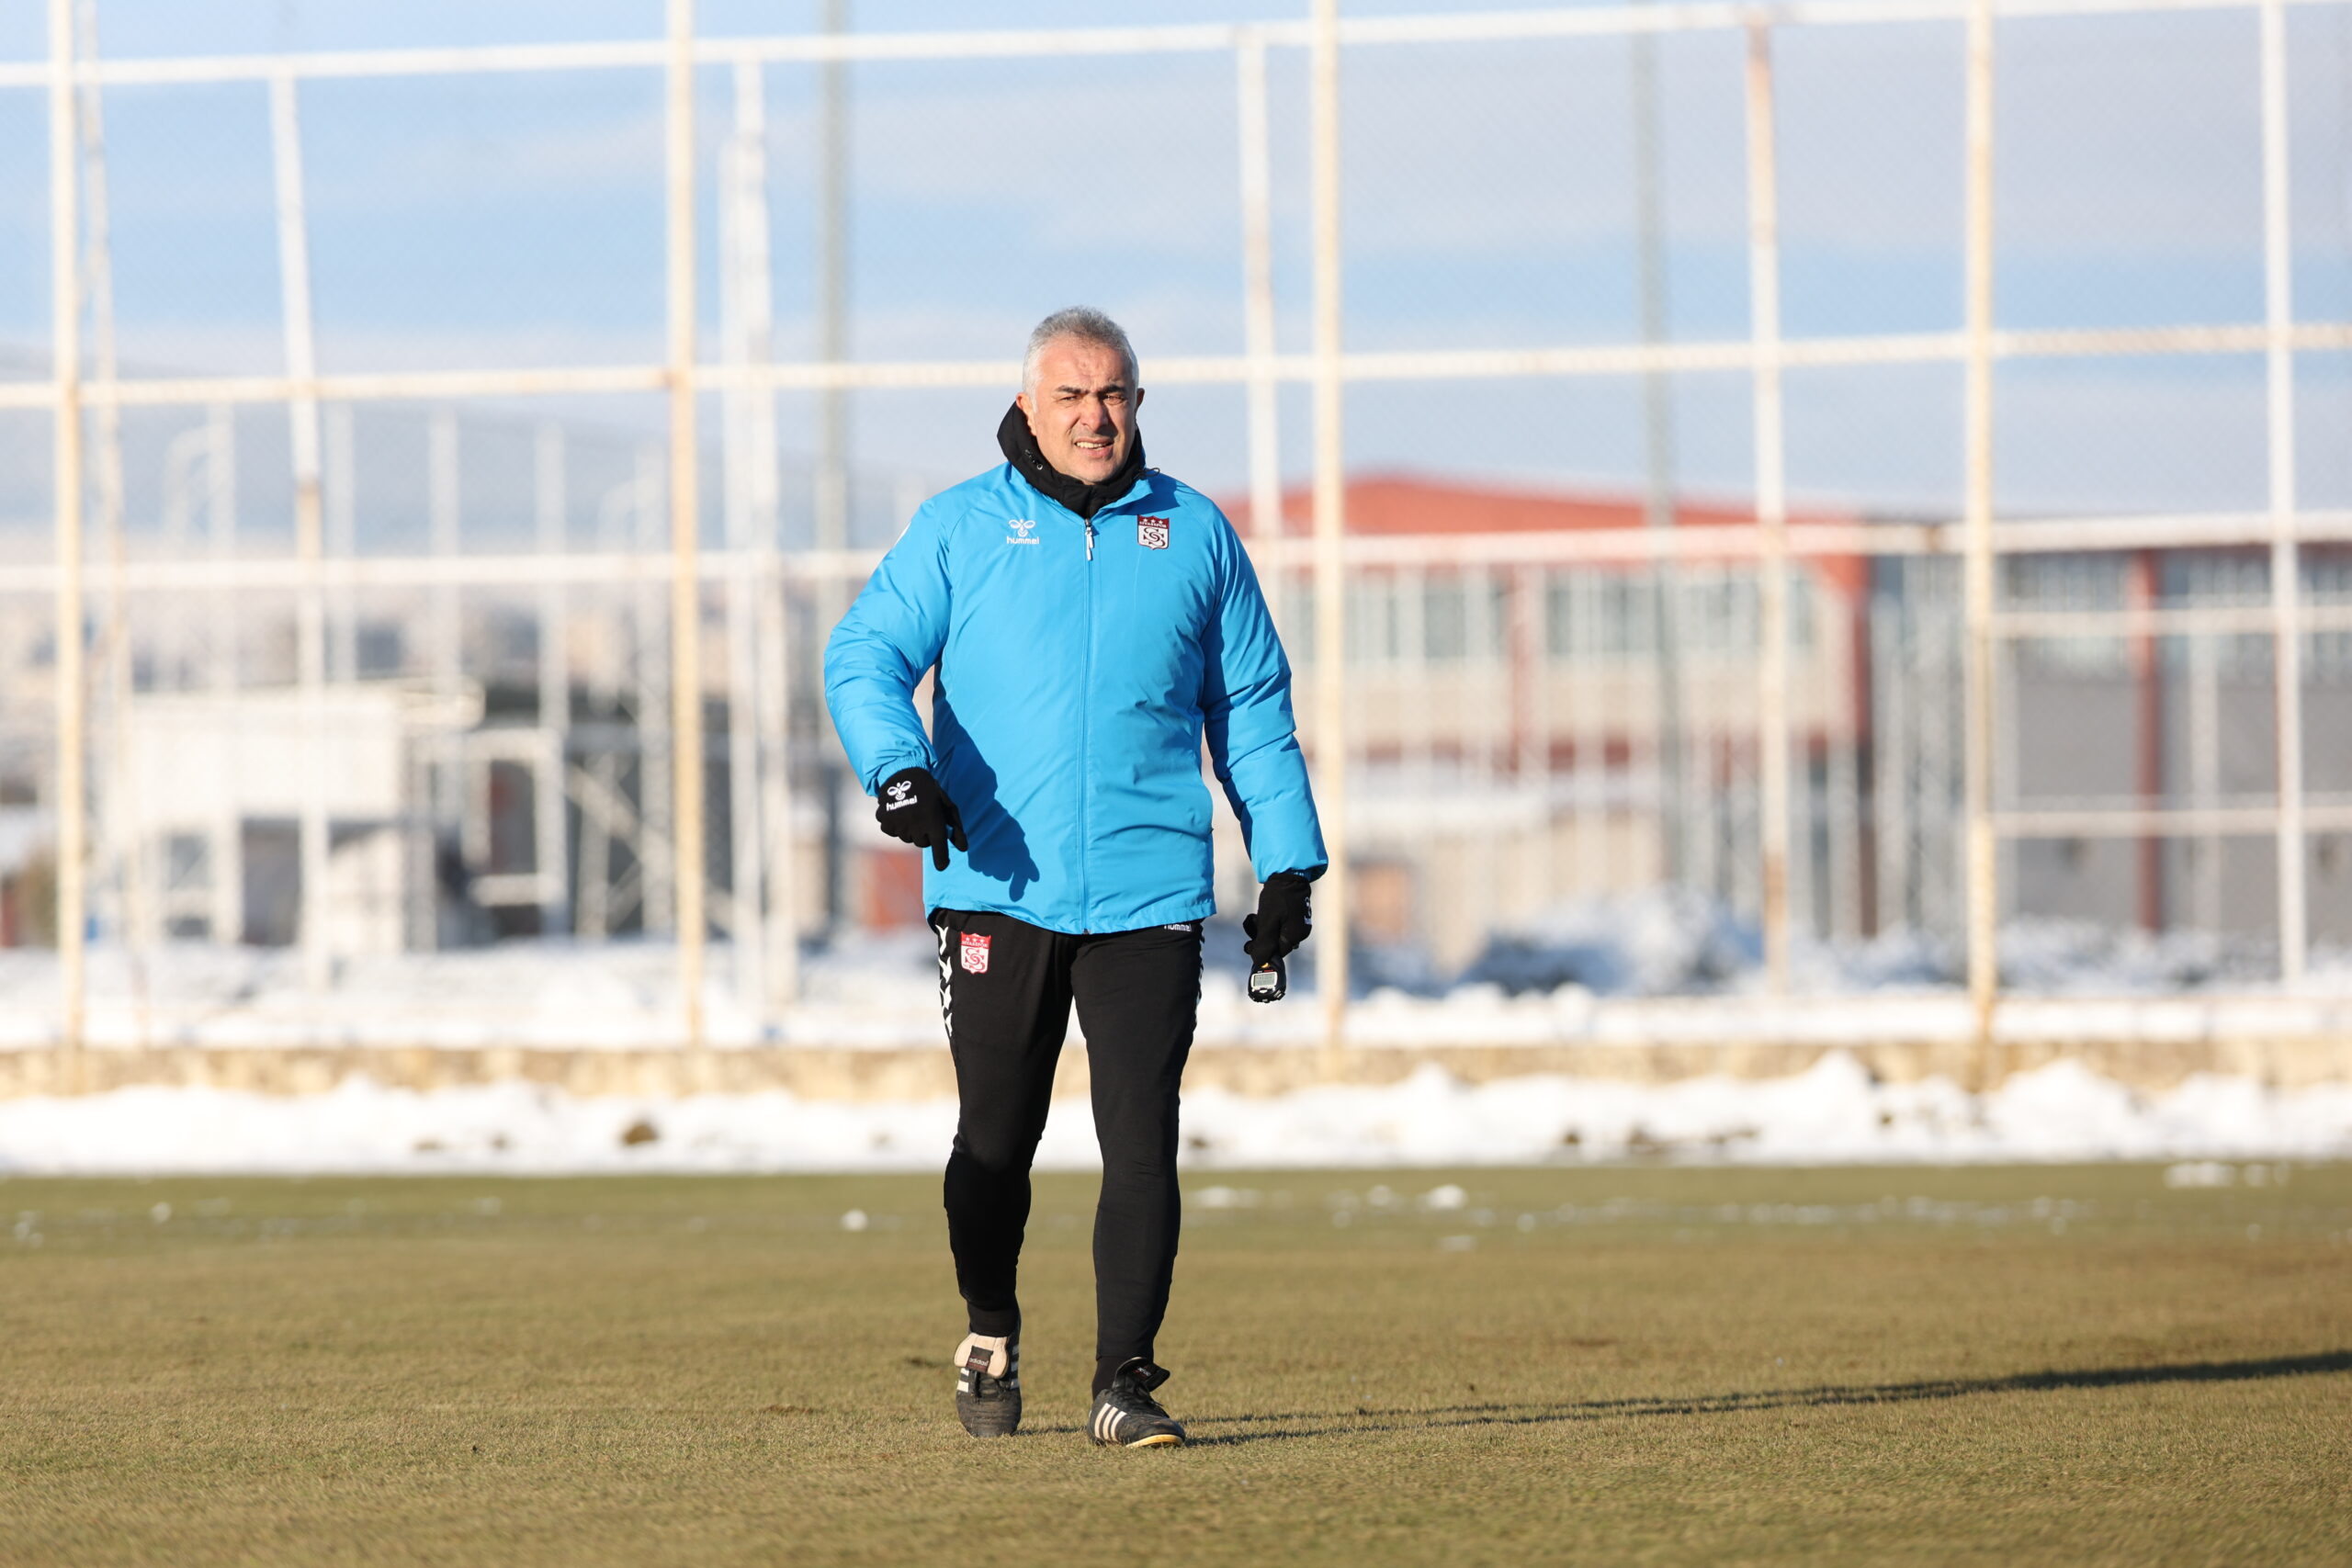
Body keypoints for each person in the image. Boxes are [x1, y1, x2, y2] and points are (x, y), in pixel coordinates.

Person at [823, 307, 1324, 1449]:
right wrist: (898, 771)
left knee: (1141, 1136)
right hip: (994, 884)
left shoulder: (1193, 532)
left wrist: (1286, 861)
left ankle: (1123, 1382)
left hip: (1151, 891)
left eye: (1113, 395)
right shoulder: (959, 526)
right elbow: (865, 653)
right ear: (1027, 406)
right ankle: (990, 1325)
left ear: (1136, 404)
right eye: (1071, 396)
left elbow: (1250, 707)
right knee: (995, 1141)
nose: (1095, 417)